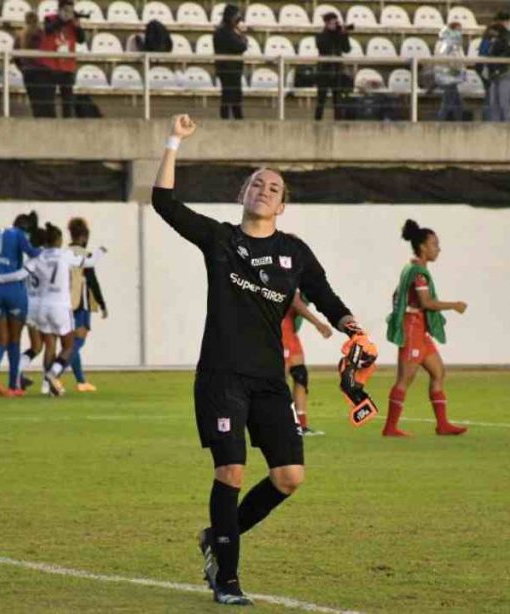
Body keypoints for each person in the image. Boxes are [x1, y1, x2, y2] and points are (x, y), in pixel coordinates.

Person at [153, 114, 371, 605]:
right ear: (243, 195)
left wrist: (353, 328)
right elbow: (163, 202)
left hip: (268, 381)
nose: (265, 189)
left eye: (274, 186)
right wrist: (174, 141)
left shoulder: (295, 252)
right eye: (257, 183)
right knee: (230, 470)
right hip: (222, 377)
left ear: (283, 204)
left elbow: (326, 297)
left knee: (289, 478)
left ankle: (216, 537)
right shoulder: (220, 240)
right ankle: (227, 580)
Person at [383, 219, 468, 438]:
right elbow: (426, 303)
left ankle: (443, 425)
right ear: (422, 247)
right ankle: (390, 428)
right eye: (434, 244)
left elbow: (397, 294)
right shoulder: (417, 272)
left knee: (438, 372)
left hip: (420, 330)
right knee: (405, 379)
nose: (437, 249)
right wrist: (454, 305)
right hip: (412, 330)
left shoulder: (412, 269)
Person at [26, 222, 106, 396]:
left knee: (50, 345)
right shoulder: (67, 255)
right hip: (64, 306)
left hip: (42, 306)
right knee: (71, 344)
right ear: (58, 240)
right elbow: (90, 267)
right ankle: (54, 375)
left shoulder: (39, 257)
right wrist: (101, 251)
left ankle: (46, 387)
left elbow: (26, 274)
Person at [0, 212, 42, 397]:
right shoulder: (19, 235)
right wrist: (47, 252)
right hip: (13, 290)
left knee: (1, 340)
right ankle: (13, 385)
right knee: (15, 340)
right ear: (26, 229)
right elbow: (32, 252)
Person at [66, 217, 108, 392]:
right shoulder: (85, 255)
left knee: (72, 342)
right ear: (83, 236)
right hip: (81, 302)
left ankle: (81, 381)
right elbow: (92, 281)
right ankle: (56, 372)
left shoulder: (65, 252)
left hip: (66, 302)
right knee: (78, 342)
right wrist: (102, 303)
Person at [281, 291, 332, 435]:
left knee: (300, 376)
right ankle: (279, 423)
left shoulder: (308, 282)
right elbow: (295, 302)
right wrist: (318, 324)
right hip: (281, 330)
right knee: (278, 382)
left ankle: (301, 425)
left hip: (290, 332)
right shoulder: (292, 279)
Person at [36, 0, 86, 119]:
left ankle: (67, 124)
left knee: (68, 100)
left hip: (67, 66)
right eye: (66, 10)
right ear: (60, 10)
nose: (69, 13)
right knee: (48, 99)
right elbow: (48, 30)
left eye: (71, 10)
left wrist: (78, 26)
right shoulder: (49, 19)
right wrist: (62, 20)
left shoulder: (73, 23)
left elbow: (82, 39)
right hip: (51, 65)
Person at [18, 226, 47, 392]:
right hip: (44, 306)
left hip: (29, 306)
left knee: (36, 347)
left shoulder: (29, 259)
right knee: (50, 345)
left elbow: (22, 278)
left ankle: (17, 373)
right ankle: (47, 384)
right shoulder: (46, 258)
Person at [315, 12, 351, 121]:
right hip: (324, 71)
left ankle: (338, 122)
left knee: (338, 100)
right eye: (332, 23)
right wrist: (335, 34)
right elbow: (324, 47)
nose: (334, 25)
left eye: (335, 22)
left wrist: (344, 34)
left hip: (337, 71)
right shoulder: (320, 36)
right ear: (326, 23)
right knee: (321, 100)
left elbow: (347, 49)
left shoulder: (339, 35)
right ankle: (317, 121)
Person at [214, 5, 248, 120]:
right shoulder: (224, 31)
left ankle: (236, 120)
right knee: (229, 97)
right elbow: (241, 46)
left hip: (231, 69)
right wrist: (242, 36)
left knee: (233, 97)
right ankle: (229, 121)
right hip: (228, 69)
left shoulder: (224, 30)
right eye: (236, 17)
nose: (238, 20)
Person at [17, 12, 50, 119]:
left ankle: (38, 119)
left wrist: (22, 68)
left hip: (28, 71)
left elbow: (16, 56)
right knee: (44, 100)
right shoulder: (42, 34)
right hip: (42, 71)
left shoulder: (21, 34)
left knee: (34, 101)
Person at [485, 19, 510, 122]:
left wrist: (498, 66)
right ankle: (495, 125)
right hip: (494, 76)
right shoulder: (491, 42)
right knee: (493, 103)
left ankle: (507, 125)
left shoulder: (507, 40)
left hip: (504, 74)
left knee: (504, 102)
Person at [435, 21, 466, 121]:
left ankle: (458, 122)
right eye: (458, 30)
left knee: (456, 102)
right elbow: (444, 58)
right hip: (447, 76)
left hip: (453, 77)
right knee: (447, 102)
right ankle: (440, 121)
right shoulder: (444, 43)